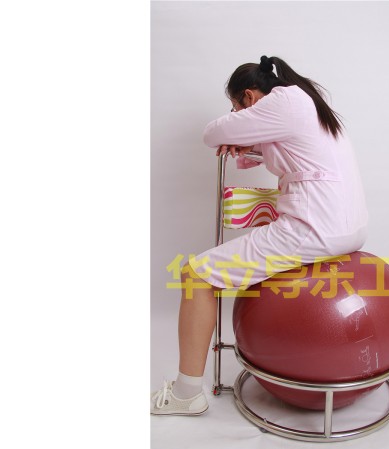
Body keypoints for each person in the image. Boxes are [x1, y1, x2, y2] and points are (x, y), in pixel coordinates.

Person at [151, 56, 369, 415]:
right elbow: (293, 150)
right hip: (348, 227)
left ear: (250, 97)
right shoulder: (306, 102)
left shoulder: (282, 101)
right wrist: (250, 144)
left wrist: (236, 129)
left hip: (314, 229)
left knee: (195, 275)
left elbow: (211, 134)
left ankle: (186, 395)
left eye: (236, 108)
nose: (237, 115)